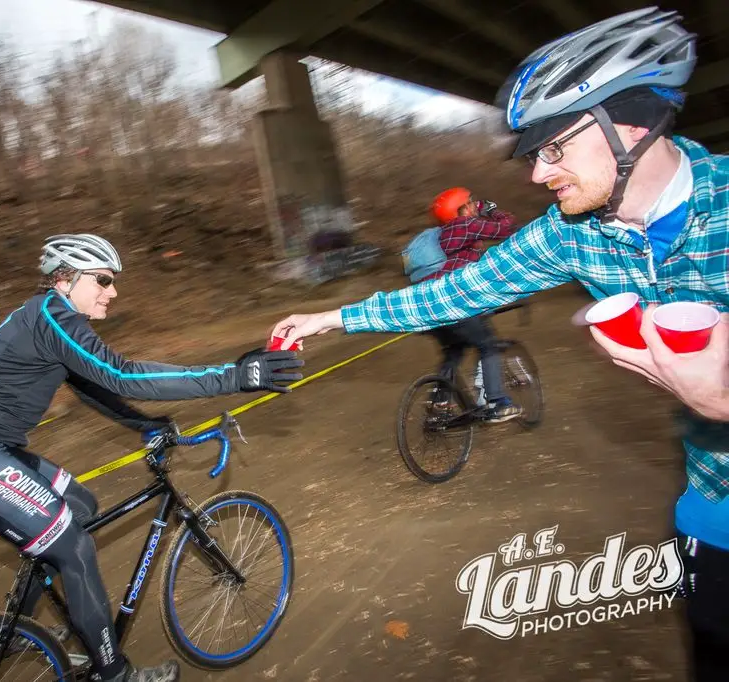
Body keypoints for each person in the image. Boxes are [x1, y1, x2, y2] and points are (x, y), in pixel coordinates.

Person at [268, 8, 727, 680]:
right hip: (711, 511)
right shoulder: (573, 233)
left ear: (629, 125)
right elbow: (457, 291)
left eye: (556, 148)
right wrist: (335, 316)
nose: (539, 174)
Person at [0, 233, 303, 682]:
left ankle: (16, 630)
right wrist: (235, 376)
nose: (112, 291)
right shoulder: (52, 316)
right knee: (75, 548)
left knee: (81, 507)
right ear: (65, 279)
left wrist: (146, 425)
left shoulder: (48, 322)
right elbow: (122, 375)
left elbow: (94, 386)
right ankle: (113, 673)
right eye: (102, 279)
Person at [406, 187, 522, 422]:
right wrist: (492, 210)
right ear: (461, 209)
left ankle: (439, 401)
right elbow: (505, 227)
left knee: (454, 349)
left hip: (428, 307)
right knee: (488, 345)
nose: (474, 206)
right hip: (455, 304)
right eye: (470, 203)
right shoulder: (465, 226)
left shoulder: (442, 235)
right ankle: (497, 402)